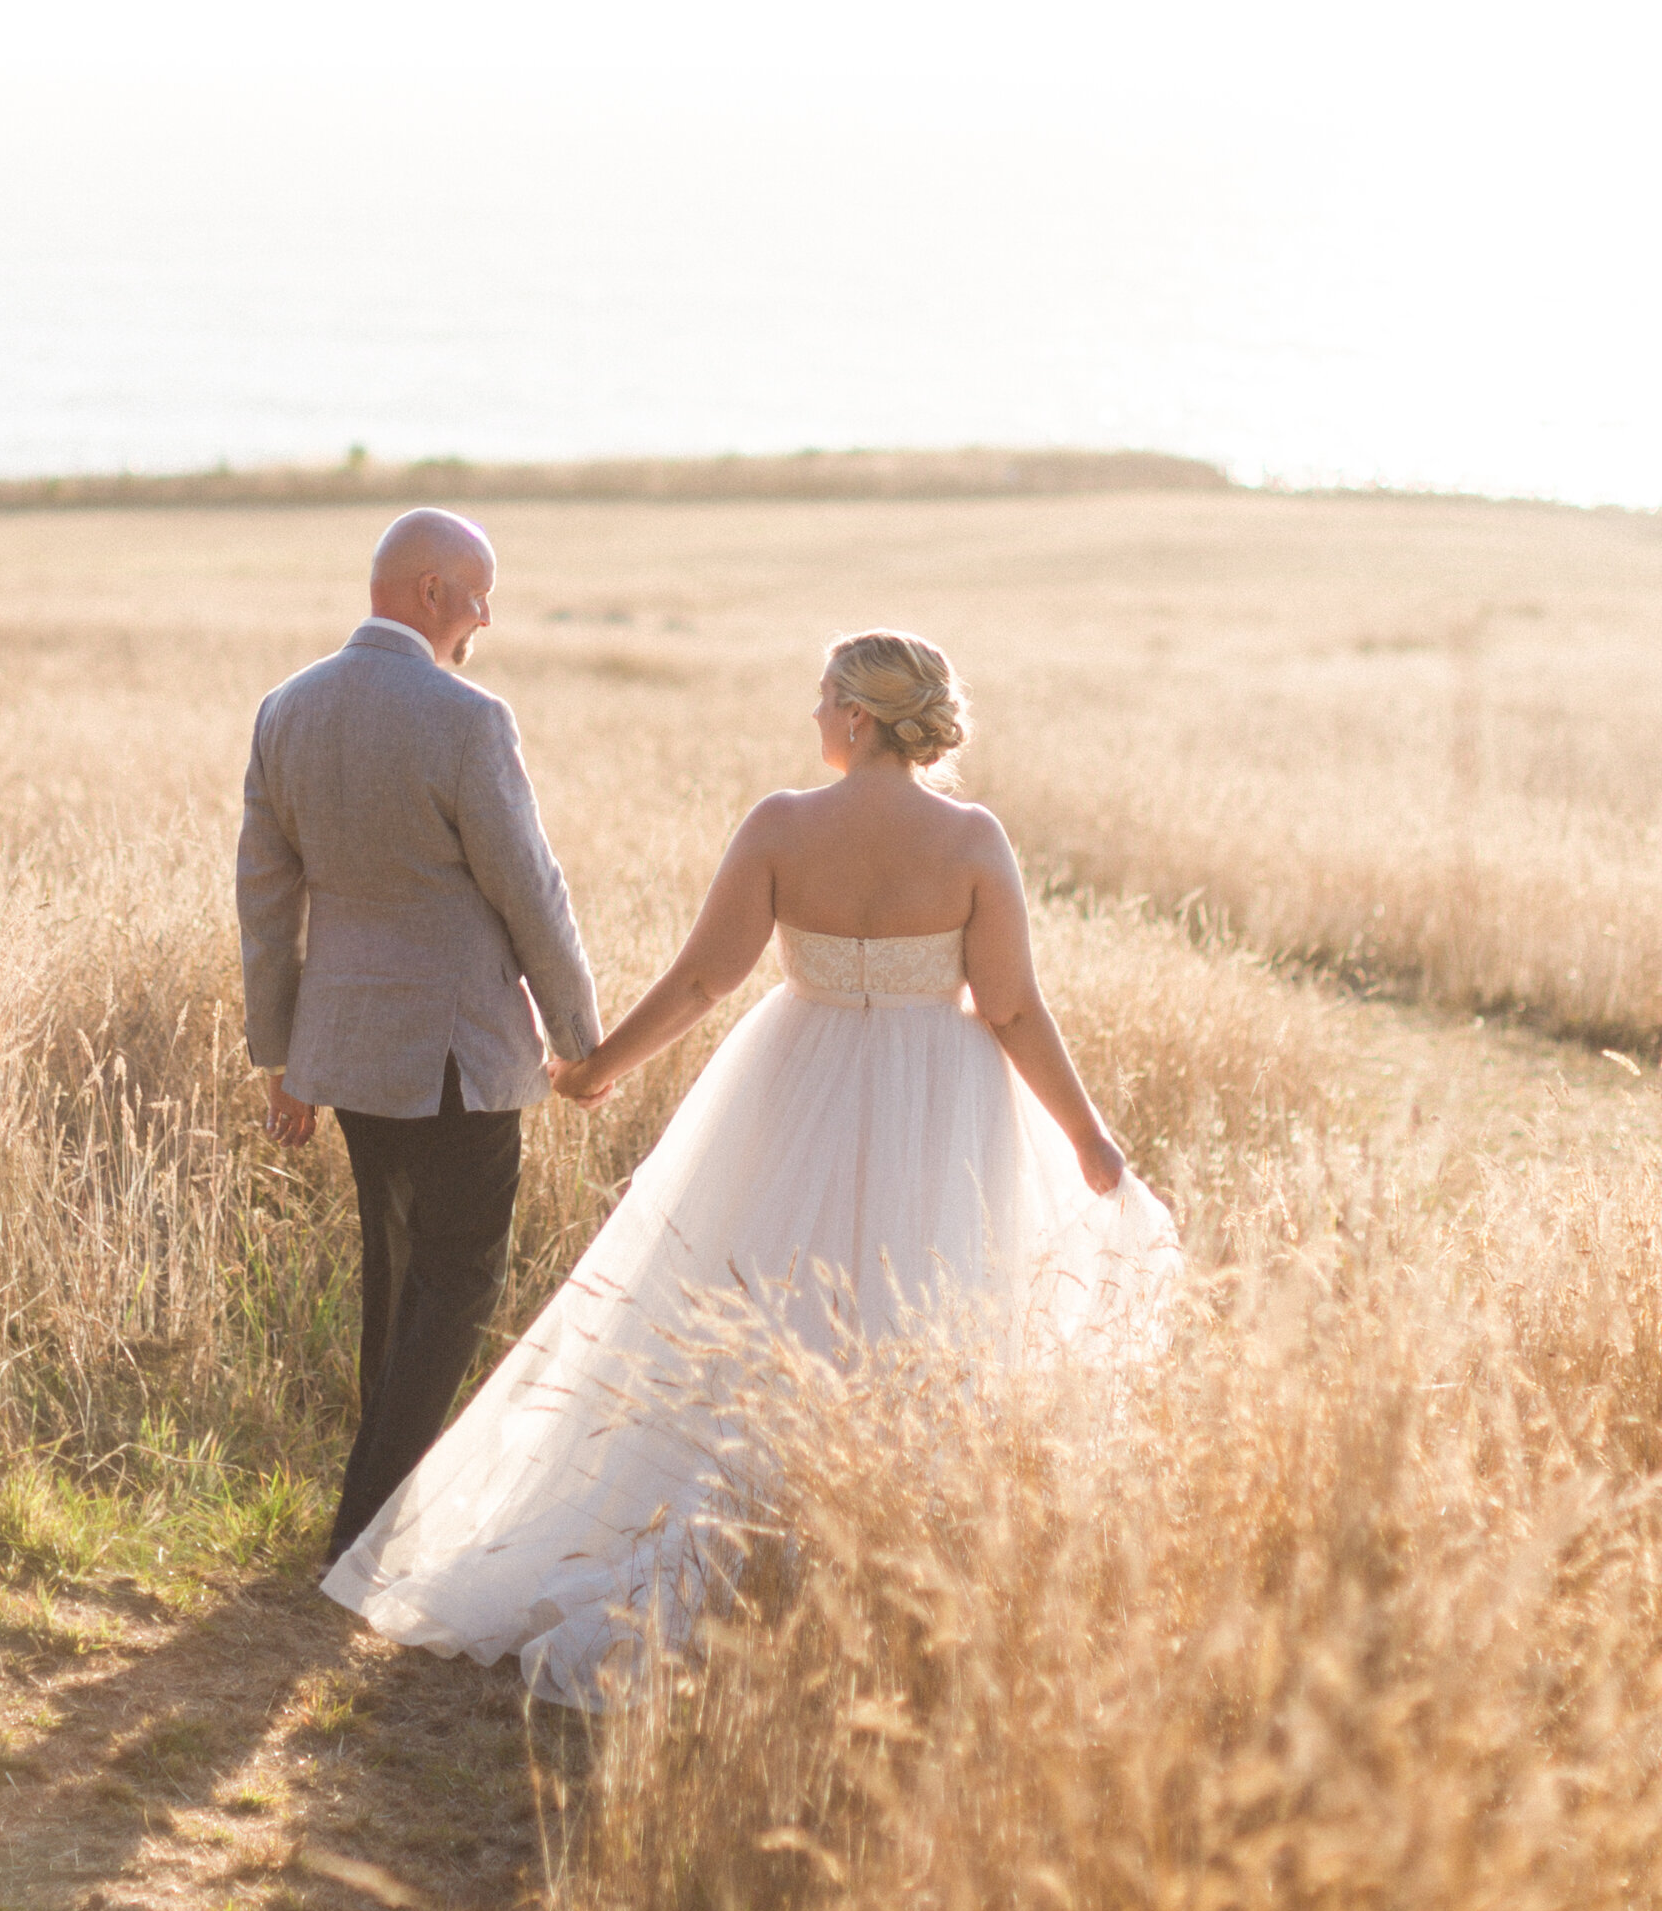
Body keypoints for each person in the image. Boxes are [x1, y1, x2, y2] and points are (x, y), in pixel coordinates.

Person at [321, 628, 1181, 1701]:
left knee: (765, 1318)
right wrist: (1087, 1138)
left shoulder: (781, 826)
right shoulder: (970, 841)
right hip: (942, 1104)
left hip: (796, 1081)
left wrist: (597, 1069)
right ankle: (883, 1577)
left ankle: (746, 1558)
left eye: (825, 698)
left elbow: (701, 980)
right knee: (918, 1319)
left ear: (859, 719)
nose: (814, 714)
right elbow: (1008, 1007)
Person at [237, 509, 599, 1566]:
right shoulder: (467, 718)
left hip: (343, 1051)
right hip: (457, 1051)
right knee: (461, 1275)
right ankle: (371, 1520)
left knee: (395, 1271)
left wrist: (280, 1058)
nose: (487, 618)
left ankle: (373, 1509)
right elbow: (528, 888)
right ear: (431, 592)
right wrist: (578, 1036)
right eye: (479, 594)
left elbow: (265, 900)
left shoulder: (284, 710)